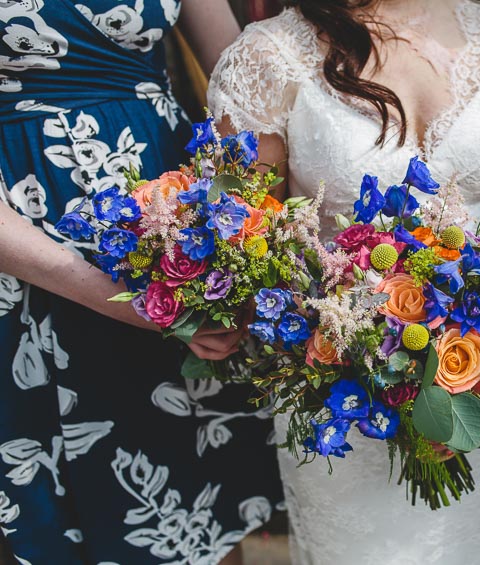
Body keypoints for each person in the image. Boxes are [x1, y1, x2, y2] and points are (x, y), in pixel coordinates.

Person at [207, 0, 480, 562]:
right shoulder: (267, 53)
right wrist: (350, 337)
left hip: (478, 376)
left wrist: (479, 346)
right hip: (336, 392)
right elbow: (245, 243)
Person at [0, 1, 284, 563]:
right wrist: (133, 303)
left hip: (182, 222)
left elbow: (242, 72)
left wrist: (244, 230)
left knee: (205, 494)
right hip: (35, 258)